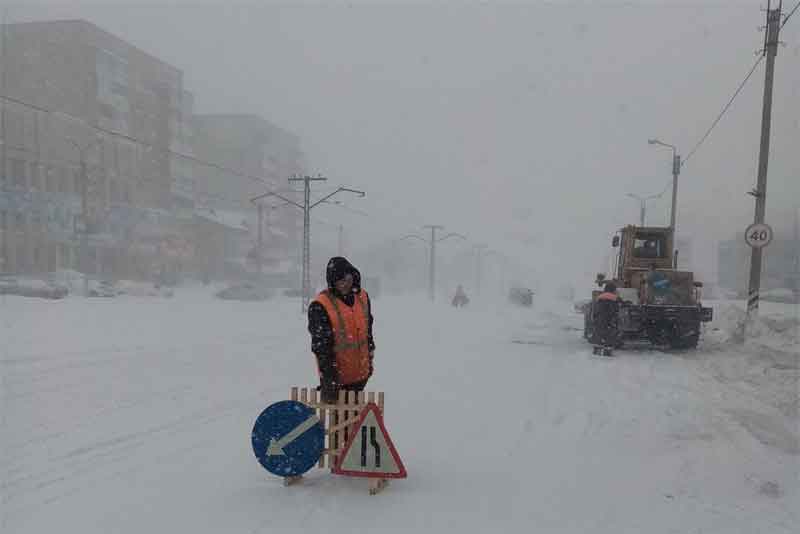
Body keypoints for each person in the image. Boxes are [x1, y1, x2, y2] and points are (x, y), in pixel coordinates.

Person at [308, 257, 375, 403]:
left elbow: (367, 332)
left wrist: (370, 357)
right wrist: (329, 381)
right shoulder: (320, 305)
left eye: (347, 278)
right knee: (341, 423)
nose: (345, 284)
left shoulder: (362, 297)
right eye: (340, 281)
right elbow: (322, 348)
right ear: (333, 283)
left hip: (361, 376)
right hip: (338, 381)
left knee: (355, 421)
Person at [592, 282, 621, 354]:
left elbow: (595, 309)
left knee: (599, 332)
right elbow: (620, 304)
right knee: (610, 333)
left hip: (600, 318)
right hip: (610, 318)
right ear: (613, 289)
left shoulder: (600, 296)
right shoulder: (615, 297)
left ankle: (597, 349)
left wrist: (595, 318)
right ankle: (607, 350)